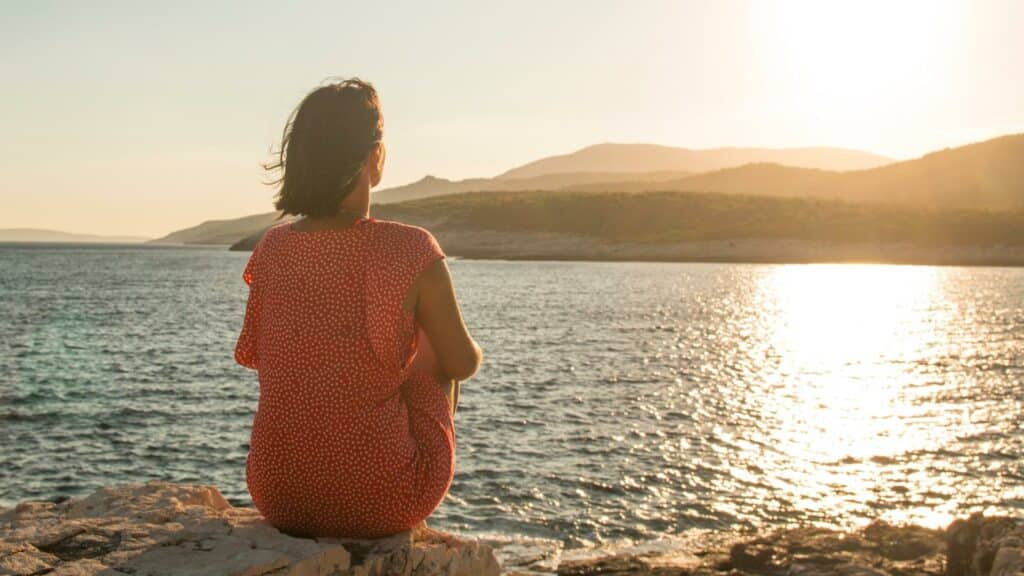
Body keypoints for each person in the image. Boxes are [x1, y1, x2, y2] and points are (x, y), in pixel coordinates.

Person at [234, 78, 482, 539]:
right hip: (384, 500)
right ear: (376, 157)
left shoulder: (271, 248)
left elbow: (268, 359)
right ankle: (409, 509)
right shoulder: (410, 248)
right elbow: (461, 363)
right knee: (433, 359)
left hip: (278, 495)